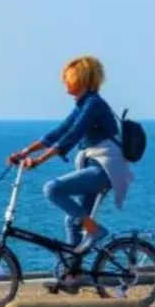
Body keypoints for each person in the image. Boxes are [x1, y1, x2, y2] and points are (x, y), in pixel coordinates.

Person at [8, 55, 134, 255]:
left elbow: (72, 135)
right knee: (73, 220)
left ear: (80, 79)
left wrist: (39, 161)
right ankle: (73, 275)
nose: (65, 83)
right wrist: (25, 152)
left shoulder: (93, 104)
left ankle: (96, 231)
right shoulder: (84, 104)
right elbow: (59, 131)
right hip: (94, 167)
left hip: (104, 170)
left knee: (52, 189)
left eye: (68, 78)